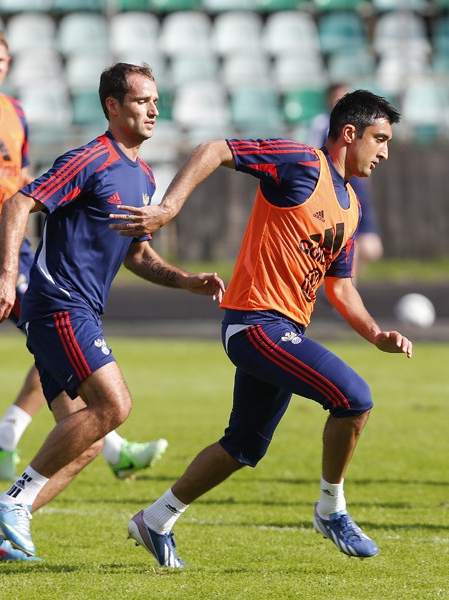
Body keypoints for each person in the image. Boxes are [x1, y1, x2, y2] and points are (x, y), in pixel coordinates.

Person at [110, 89, 410, 568]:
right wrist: (167, 209)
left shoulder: (350, 205)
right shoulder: (301, 163)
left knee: (243, 446)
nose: (385, 152)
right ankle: (331, 509)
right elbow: (214, 149)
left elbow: (341, 286)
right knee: (354, 398)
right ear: (349, 134)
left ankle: (156, 519)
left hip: (282, 330)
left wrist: (376, 334)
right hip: (254, 324)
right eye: (380, 138)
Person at [0, 27, 167, 485]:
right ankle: (108, 444)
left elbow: (18, 176)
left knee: (53, 338)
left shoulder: (16, 112)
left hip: (14, 242)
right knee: (54, 327)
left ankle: (10, 435)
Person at [0, 62, 225, 561]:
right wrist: (6, 275)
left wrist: (185, 280)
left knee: (87, 440)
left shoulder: (145, 173)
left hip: (79, 309)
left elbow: (136, 255)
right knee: (115, 406)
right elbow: (17, 205)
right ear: (112, 106)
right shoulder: (89, 159)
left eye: (155, 100)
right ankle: (15, 501)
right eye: (141, 101)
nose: (153, 109)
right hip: (59, 302)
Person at [307, 83, 383, 280]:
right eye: (337, 98)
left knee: (372, 249)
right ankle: (343, 289)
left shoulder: (360, 124)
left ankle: (336, 281)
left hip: (357, 192)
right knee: (350, 245)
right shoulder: (322, 124)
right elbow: (313, 153)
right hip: (334, 189)